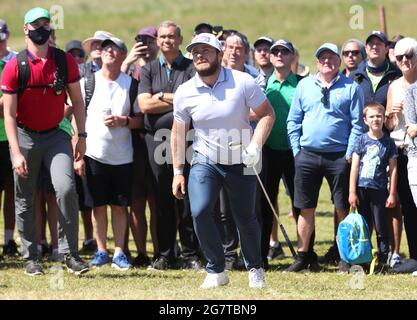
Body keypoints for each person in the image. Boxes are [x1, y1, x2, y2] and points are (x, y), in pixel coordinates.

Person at [172, 32, 275, 288]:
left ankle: (255, 267)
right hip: (205, 159)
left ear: (219, 54)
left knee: (245, 217)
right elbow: (178, 131)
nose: (199, 55)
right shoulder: (185, 91)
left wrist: (255, 145)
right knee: (200, 210)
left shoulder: (243, 82)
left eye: (206, 50)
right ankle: (216, 269)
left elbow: (267, 114)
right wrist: (177, 171)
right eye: (195, 51)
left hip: (242, 159)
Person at [1, 7, 89, 276]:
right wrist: (15, 153)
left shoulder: (64, 61)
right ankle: (30, 257)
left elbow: (77, 101)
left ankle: (69, 254)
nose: (42, 28)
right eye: (36, 24)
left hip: (56, 135)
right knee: (25, 197)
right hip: (25, 136)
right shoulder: (15, 66)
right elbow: (9, 114)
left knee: (64, 188)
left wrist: (81, 136)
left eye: (46, 23)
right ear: (26, 29)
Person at [286, 43, 364, 272]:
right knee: (305, 207)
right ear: (317, 62)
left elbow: (357, 126)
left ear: (338, 62)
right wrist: (296, 152)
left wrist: (349, 154)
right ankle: (303, 256)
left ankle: (345, 257)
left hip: (339, 157)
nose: (327, 61)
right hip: (307, 155)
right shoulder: (304, 86)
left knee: (341, 207)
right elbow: (293, 121)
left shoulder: (351, 88)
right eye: (323, 58)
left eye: (332, 57)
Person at [138, 21, 202, 271]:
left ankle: (191, 254)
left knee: (186, 198)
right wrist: (175, 99)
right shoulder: (149, 69)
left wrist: (161, 96)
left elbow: (192, 100)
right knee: (162, 199)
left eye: (171, 36)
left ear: (180, 39)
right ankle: (165, 254)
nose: (167, 40)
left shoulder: (190, 67)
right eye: (162, 36)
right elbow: (144, 106)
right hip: (156, 140)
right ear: (157, 41)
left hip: (187, 138)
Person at [80, 36, 140, 271]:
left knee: (119, 205)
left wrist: (123, 121)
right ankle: (101, 250)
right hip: (94, 154)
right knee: (97, 205)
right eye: (106, 49)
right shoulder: (88, 82)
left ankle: (119, 252)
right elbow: (78, 116)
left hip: (123, 155)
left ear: (123, 56)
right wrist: (78, 152)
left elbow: (140, 121)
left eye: (115, 49)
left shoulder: (130, 84)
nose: (109, 52)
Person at [121, 26, 160, 267]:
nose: (146, 45)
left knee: (158, 201)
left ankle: (160, 250)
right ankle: (141, 252)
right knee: (136, 202)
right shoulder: (130, 70)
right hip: (133, 141)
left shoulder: (161, 69)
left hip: (156, 138)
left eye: (150, 41)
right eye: (141, 40)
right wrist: (127, 63)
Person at [262, 40, 302, 265]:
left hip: (295, 152)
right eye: (274, 51)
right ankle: (263, 253)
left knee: (300, 202)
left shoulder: (302, 85)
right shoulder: (262, 83)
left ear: (292, 56)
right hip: (268, 151)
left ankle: (303, 253)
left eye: (284, 51)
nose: (279, 55)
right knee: (266, 203)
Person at [349, 102, 398, 270]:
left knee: (381, 225)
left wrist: (392, 193)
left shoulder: (389, 143)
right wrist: (352, 191)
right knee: (363, 225)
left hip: (379, 189)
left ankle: (383, 260)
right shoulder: (360, 140)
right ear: (365, 120)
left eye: (379, 116)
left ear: (384, 119)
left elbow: (393, 169)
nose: (375, 119)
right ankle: (362, 259)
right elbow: (354, 167)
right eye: (371, 116)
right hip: (362, 189)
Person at [393, 37, 417, 268]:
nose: (405, 60)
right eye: (400, 57)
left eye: (410, 55)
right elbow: (391, 125)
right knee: (408, 207)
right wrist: (392, 114)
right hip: (403, 152)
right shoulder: (396, 86)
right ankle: (415, 256)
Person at [0, 20, 18, 258]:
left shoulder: (15, 61)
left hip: (12, 137)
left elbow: (16, 99)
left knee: (13, 193)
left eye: (2, 37)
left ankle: (9, 240)